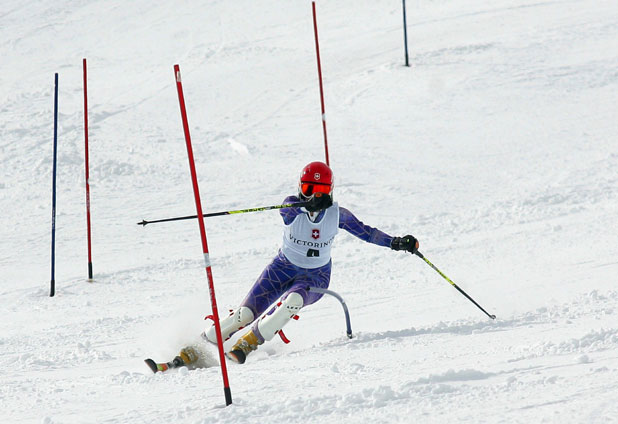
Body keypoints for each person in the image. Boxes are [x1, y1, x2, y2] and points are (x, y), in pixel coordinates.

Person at [200, 161, 419, 364]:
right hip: (281, 268)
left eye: (321, 190)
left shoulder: (338, 215)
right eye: (309, 189)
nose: (315, 195)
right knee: (245, 314)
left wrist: (396, 242)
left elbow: (367, 233)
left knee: (294, 300)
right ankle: (201, 344)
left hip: (315, 276)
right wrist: (307, 204)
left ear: (330, 191)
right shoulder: (291, 206)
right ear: (300, 187)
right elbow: (288, 209)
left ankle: (248, 343)